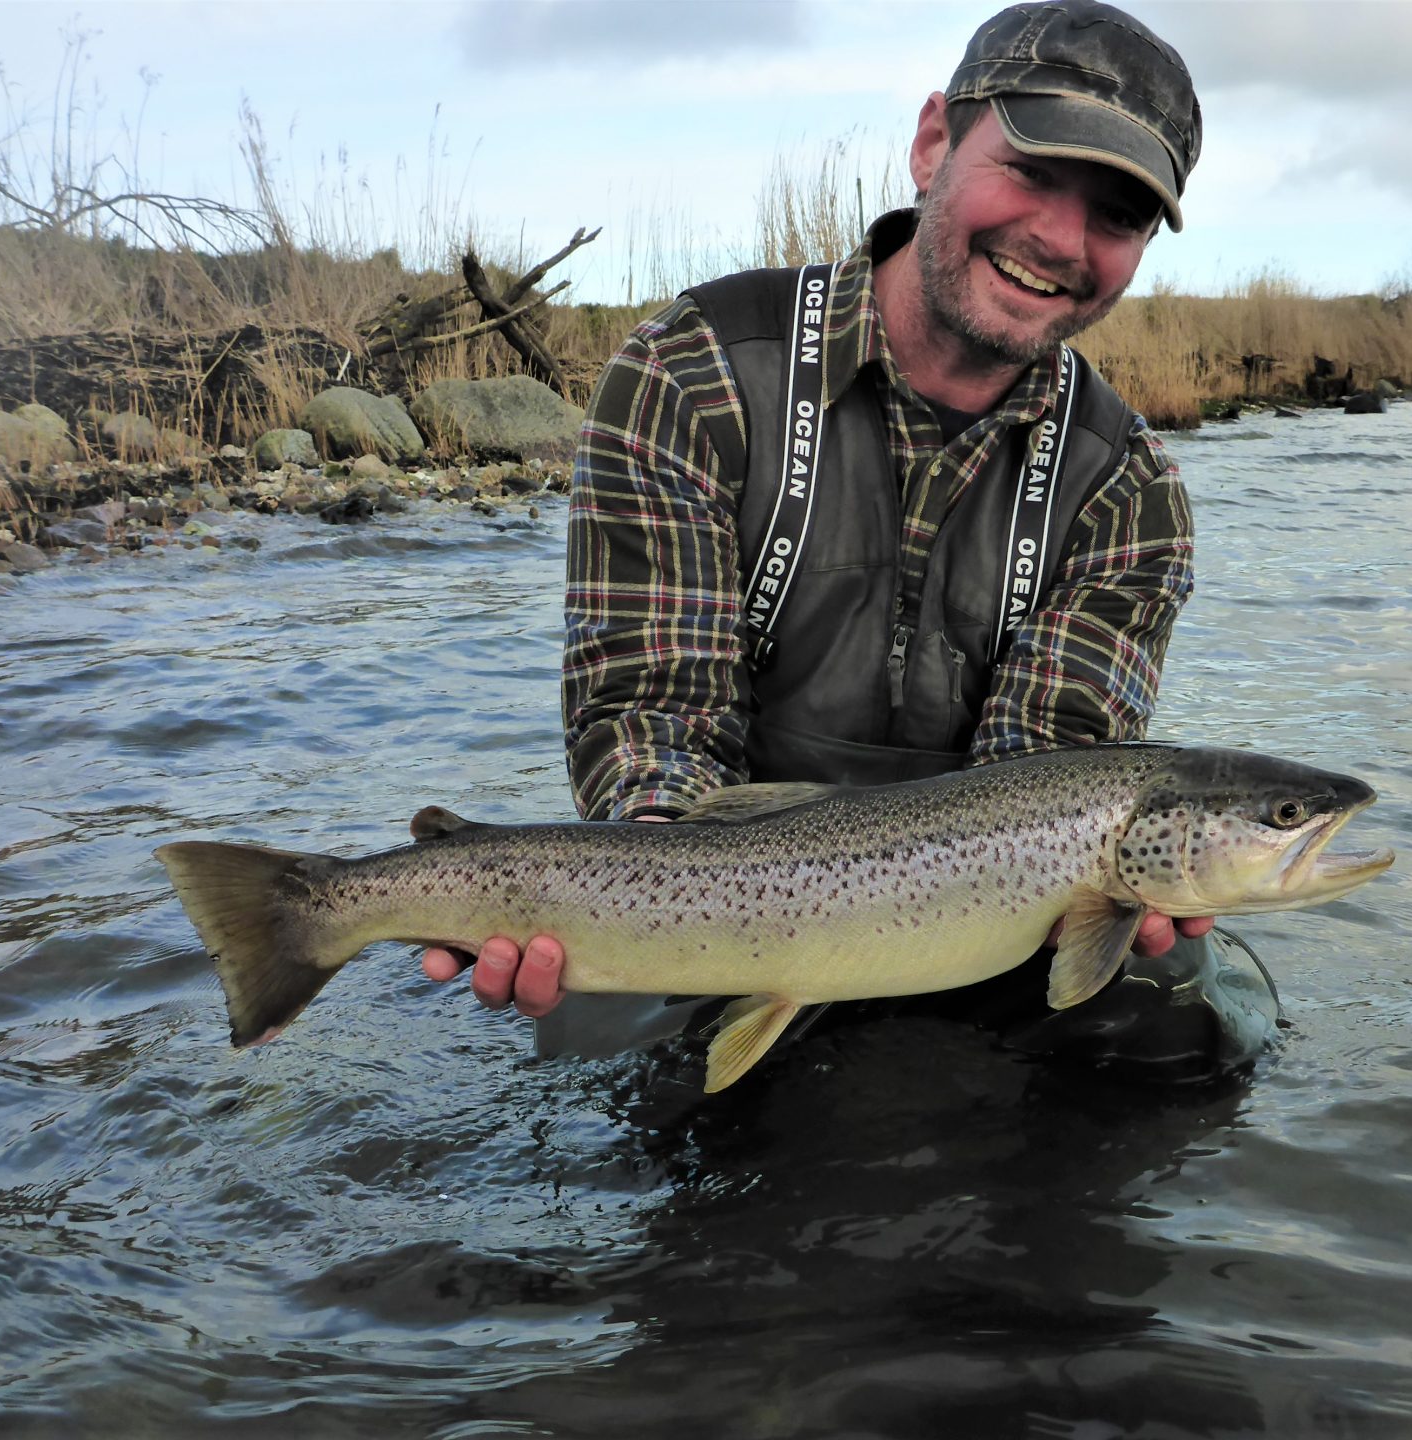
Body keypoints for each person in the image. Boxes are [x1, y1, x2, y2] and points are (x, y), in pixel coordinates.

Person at [422, 0, 1282, 1077]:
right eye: (1029, 172)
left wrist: (1110, 911)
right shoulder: (695, 373)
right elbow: (653, 715)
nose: (1061, 240)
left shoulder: (1127, 491)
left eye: (1116, 216)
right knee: (671, 1107)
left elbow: (1048, 778)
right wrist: (635, 887)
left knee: (1170, 1028)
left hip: (971, 911)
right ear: (933, 142)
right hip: (715, 881)